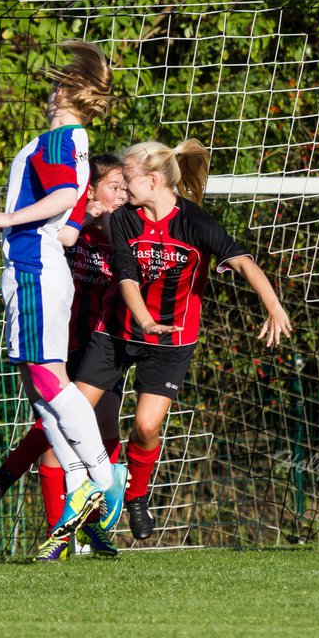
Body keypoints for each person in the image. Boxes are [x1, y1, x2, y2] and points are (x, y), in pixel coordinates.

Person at [78, 139, 291, 541]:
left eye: (128, 178)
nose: (123, 186)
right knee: (70, 412)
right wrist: (143, 319)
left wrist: (274, 307)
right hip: (119, 329)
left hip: (173, 341)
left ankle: (136, 497)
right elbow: (125, 276)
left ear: (153, 180)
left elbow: (244, 262)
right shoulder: (126, 218)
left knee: (145, 426)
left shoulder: (195, 222)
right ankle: (18, 477)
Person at [0, 40, 128, 561]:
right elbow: (69, 214)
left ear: (65, 89)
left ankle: (102, 480)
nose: (49, 93)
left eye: (55, 84)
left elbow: (62, 196)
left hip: (33, 267)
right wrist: (61, 226)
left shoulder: (62, 135)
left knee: (44, 379)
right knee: (38, 387)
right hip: (39, 263)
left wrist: (5, 219)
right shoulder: (71, 139)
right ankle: (84, 480)